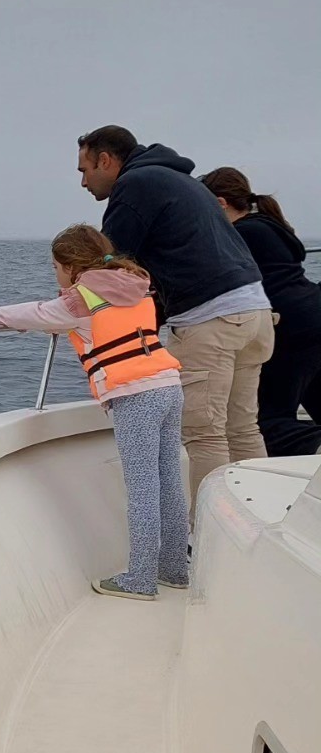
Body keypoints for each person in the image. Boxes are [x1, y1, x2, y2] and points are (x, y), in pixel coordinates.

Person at [0, 224, 188, 600]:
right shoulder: (132, 284)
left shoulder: (83, 298)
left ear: (70, 265)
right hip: (167, 384)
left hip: (135, 395)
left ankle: (141, 579)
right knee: (169, 483)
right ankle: (175, 569)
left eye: (54, 267)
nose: (55, 275)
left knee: (143, 488)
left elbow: (36, 313)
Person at [75, 125, 274, 506]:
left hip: (211, 319)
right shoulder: (176, 179)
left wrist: (67, 305)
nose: (84, 182)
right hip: (255, 312)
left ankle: (208, 538)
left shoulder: (135, 186)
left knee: (205, 434)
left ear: (105, 160)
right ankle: (258, 519)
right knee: (243, 428)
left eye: (85, 170)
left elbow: (110, 266)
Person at [199, 166, 321, 455]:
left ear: (220, 204)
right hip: (312, 315)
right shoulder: (270, 226)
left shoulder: (240, 236)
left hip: (288, 327)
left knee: (269, 422)